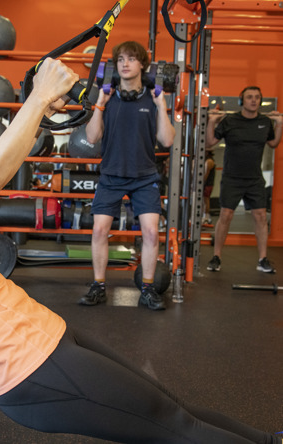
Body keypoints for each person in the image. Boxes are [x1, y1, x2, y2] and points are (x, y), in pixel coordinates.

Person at [0, 59, 281, 443]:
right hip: (33, 373)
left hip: (52, 337)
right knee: (175, 426)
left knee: (173, 411)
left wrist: (36, 114)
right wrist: (36, 98)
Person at [78, 41, 176, 310]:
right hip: (111, 173)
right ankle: (98, 287)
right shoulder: (108, 99)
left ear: (143, 65)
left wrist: (162, 106)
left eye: (132, 59)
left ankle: (147, 289)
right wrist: (99, 103)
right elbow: (91, 137)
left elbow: (167, 140)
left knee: (152, 233)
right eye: (121, 59)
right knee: (99, 230)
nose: (125, 63)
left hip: (144, 175)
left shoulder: (152, 98)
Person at [206, 86, 282, 273]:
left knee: (261, 217)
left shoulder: (265, 122)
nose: (254, 100)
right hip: (232, 178)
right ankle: (216, 257)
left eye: (257, 97)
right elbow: (210, 143)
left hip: (254, 179)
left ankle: (262, 259)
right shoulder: (230, 120)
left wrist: (280, 124)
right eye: (249, 97)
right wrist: (211, 122)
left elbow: (274, 143)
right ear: (242, 101)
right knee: (225, 216)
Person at [203, 150, 216, 225]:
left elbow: (205, 175)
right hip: (208, 184)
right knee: (204, 200)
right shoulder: (209, 161)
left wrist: (201, 184)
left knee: (206, 200)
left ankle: (206, 217)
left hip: (207, 184)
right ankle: (205, 217)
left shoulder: (209, 161)